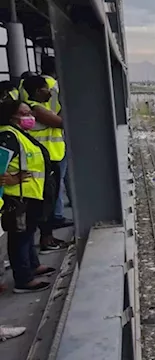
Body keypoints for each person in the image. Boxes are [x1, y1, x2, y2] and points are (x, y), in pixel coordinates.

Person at [0, 99, 56, 293]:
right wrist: (12, 179)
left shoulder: (20, 134)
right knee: (20, 238)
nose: (29, 117)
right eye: (24, 114)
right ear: (11, 116)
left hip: (30, 194)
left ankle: (33, 265)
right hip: (17, 197)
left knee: (28, 233)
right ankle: (24, 280)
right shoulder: (7, 136)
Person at [20, 75, 67, 253]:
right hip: (44, 161)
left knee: (51, 199)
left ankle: (48, 236)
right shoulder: (35, 108)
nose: (50, 92)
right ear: (38, 91)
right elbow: (61, 122)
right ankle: (46, 240)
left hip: (50, 158)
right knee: (46, 202)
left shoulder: (44, 107)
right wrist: (66, 102)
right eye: (47, 89)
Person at [41, 56, 72, 227]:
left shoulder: (27, 85)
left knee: (56, 182)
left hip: (41, 144)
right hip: (54, 143)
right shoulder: (53, 86)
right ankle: (57, 216)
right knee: (57, 182)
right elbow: (59, 117)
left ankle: (57, 214)